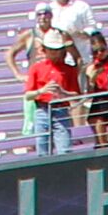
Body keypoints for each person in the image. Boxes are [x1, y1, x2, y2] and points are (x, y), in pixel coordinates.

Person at [25, 29, 79, 157]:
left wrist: (63, 92)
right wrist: (42, 91)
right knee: (43, 151)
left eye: (57, 50)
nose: (55, 54)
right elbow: (28, 95)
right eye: (52, 50)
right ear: (45, 49)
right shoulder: (36, 68)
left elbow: (77, 96)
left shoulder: (69, 70)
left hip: (61, 110)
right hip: (42, 110)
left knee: (65, 151)